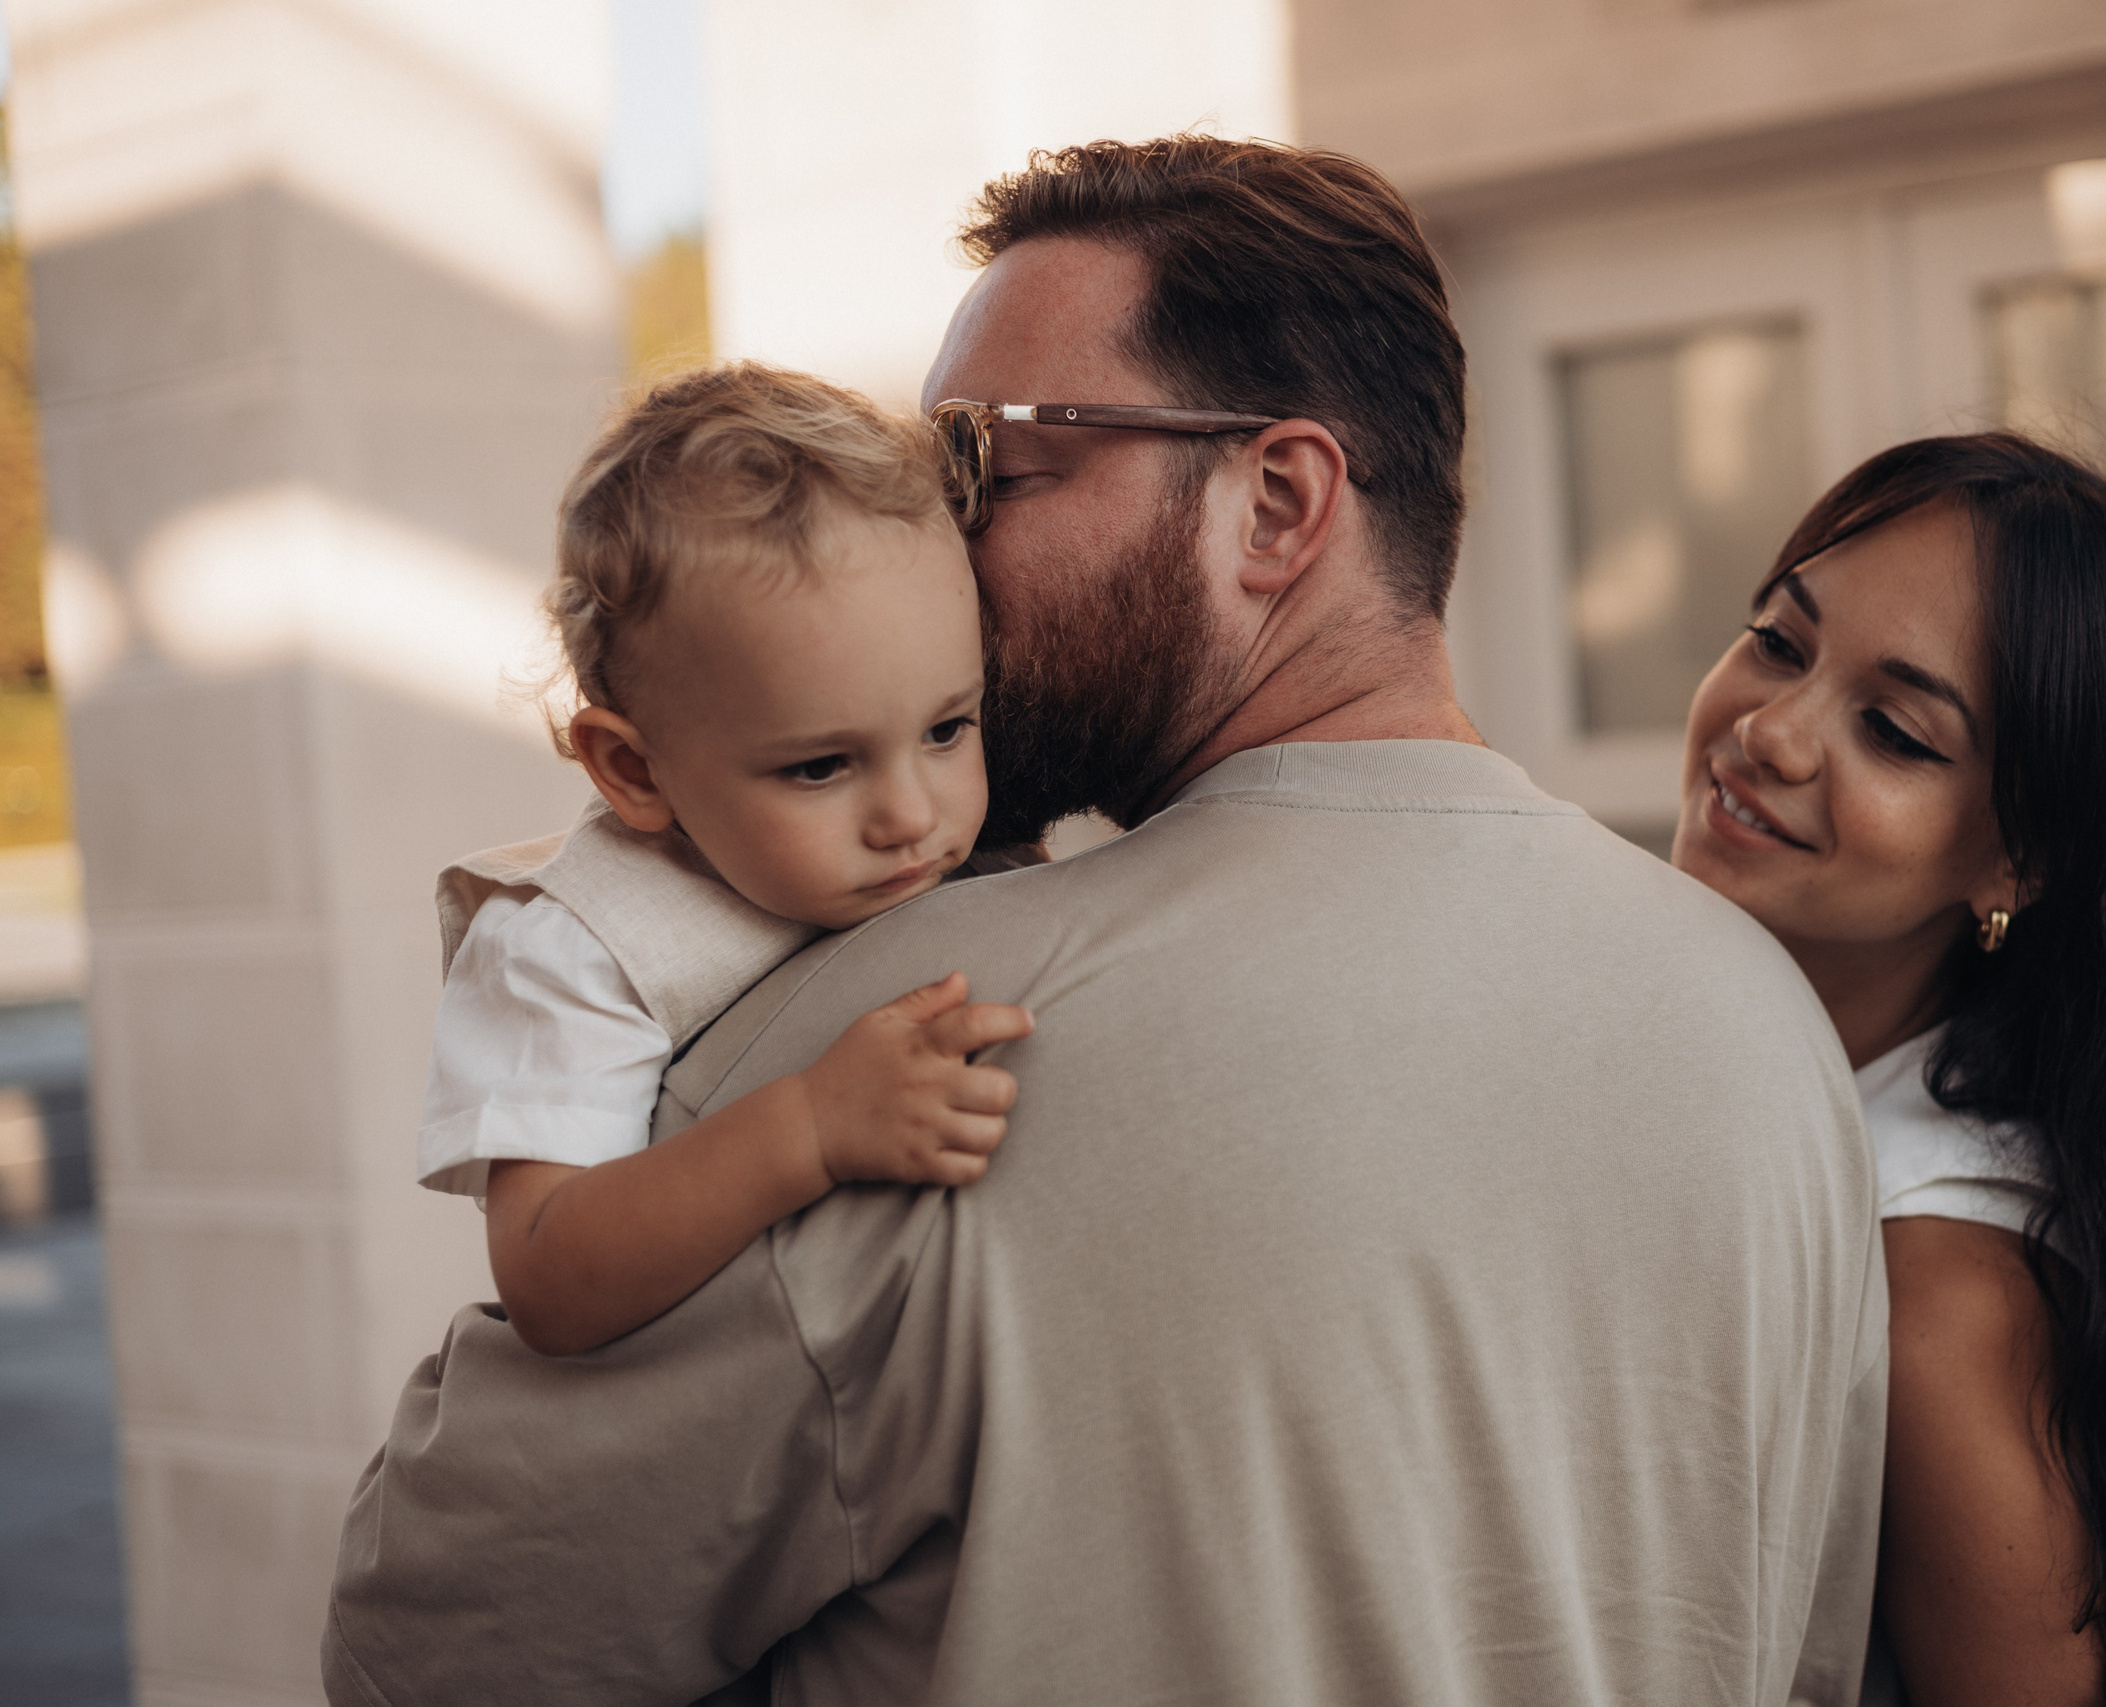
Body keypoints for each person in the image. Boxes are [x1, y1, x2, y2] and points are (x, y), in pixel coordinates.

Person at [324, 137, 1888, 1706]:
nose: (937, 546)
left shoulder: (924, 1039)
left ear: (1275, 502)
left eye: (986, 469)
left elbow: (430, 1630)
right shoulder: (1770, 1035)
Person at [1668, 434, 2106, 1707]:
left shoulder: (1938, 1293)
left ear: (2017, 863)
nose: (1769, 733)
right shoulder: (1764, 1091)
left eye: (1892, 729)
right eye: (1777, 642)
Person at [418, 364, 1035, 1357]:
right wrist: (809, 1126)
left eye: (947, 728)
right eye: (822, 766)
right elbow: (545, 1273)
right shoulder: (575, 947)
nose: (911, 814)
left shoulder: (964, 836)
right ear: (634, 768)